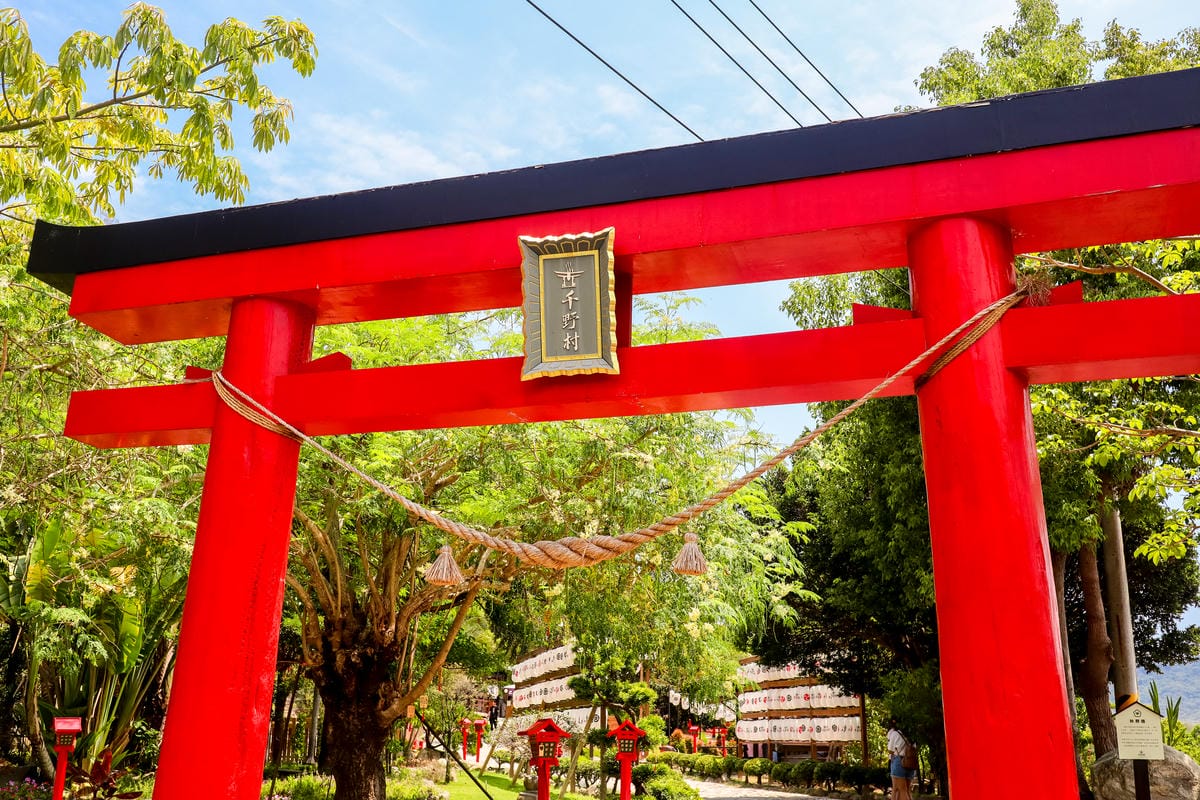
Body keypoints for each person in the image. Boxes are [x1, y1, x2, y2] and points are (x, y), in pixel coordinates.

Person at [886, 719, 915, 800]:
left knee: (902, 790)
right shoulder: (911, 735)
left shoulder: (895, 734)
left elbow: (890, 750)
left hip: (899, 761)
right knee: (905, 790)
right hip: (910, 762)